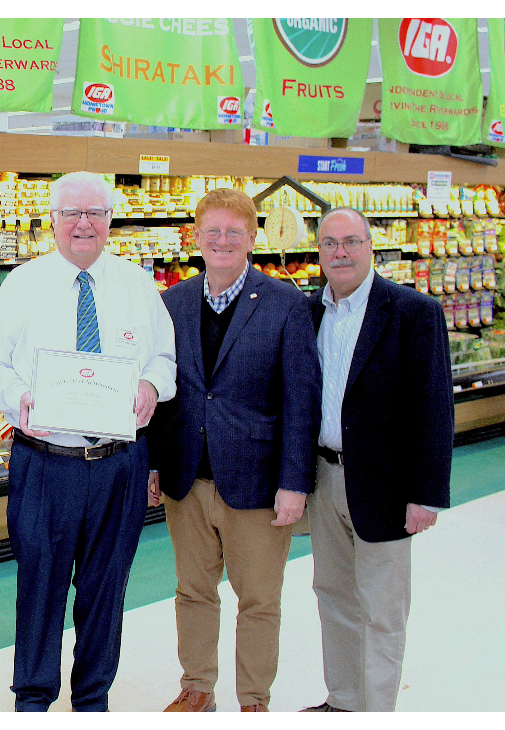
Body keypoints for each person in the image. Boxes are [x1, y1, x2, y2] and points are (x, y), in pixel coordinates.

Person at [0, 170, 177, 712]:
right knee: (39, 587)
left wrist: (151, 384)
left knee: (106, 588)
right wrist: (20, 400)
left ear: (110, 220)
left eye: (95, 213)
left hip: (119, 462)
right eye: (72, 213)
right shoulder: (22, 284)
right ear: (53, 221)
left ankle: (92, 699)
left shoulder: (138, 284)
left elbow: (165, 357)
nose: (84, 224)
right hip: (45, 462)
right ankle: (34, 697)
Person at [147, 188, 321, 712]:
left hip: (259, 482)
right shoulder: (172, 301)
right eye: (212, 231)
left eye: (234, 232)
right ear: (195, 236)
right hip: (187, 478)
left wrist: (295, 482)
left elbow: (301, 400)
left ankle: (253, 700)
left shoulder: (286, 304)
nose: (222, 241)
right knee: (193, 591)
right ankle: (197, 686)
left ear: (252, 238)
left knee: (259, 599)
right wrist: (155, 461)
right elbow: (161, 388)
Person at [301, 207, 453, 712]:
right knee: (333, 596)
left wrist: (426, 494)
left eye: (349, 242)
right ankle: (343, 701)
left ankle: (377, 711)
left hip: (386, 485)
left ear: (371, 245)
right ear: (318, 251)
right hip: (324, 478)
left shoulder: (413, 311)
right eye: (329, 244)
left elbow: (434, 408)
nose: (339, 253)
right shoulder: (310, 312)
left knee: (383, 609)